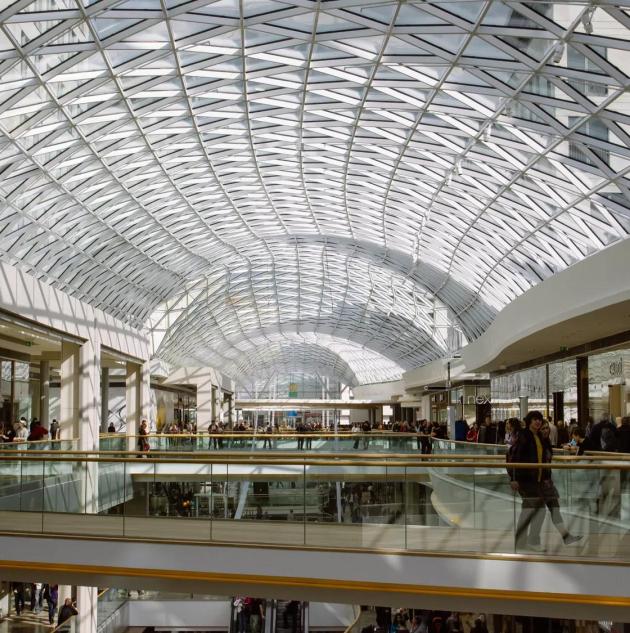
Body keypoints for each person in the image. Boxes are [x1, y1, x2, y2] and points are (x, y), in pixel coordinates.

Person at [508, 410, 549, 551]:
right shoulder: (524, 436)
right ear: (529, 421)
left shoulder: (538, 436)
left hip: (535, 479)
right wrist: (513, 478)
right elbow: (514, 456)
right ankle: (533, 541)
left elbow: (543, 457)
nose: (538, 422)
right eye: (535, 419)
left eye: (539, 419)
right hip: (525, 480)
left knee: (527, 511)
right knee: (540, 510)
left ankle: (520, 542)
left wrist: (545, 477)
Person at [539, 421, 582, 545]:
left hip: (547, 482)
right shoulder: (538, 443)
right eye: (543, 428)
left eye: (547, 428)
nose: (546, 430)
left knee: (554, 509)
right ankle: (530, 539)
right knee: (540, 512)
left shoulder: (546, 443)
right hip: (540, 483)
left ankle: (565, 536)